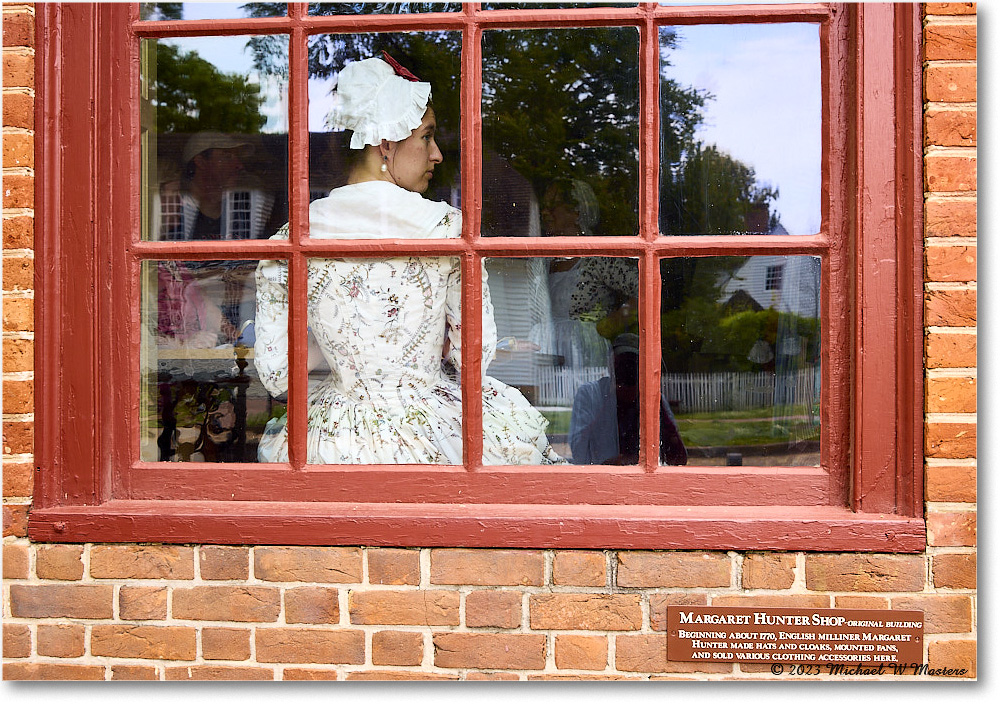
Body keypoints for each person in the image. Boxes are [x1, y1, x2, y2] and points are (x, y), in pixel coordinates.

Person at [253, 53, 563, 465]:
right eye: (426, 137)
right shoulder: (446, 228)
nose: (437, 154)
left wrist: (345, 349)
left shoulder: (297, 236)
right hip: (433, 431)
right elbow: (474, 353)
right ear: (386, 143)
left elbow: (277, 373)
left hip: (334, 439)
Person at [569, 334, 687, 465]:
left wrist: (652, 404)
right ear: (610, 364)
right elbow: (579, 452)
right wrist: (611, 399)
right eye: (621, 363)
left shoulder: (652, 398)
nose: (627, 370)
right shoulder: (591, 395)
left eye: (633, 363)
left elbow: (678, 458)